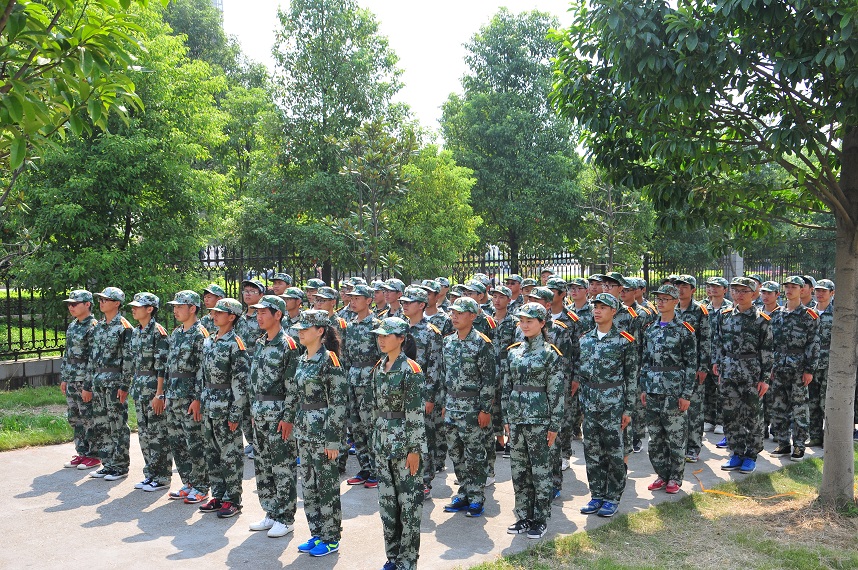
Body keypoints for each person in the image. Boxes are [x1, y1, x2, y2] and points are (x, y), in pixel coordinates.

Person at [502, 303, 564, 539]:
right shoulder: (514, 352)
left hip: (540, 420)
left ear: (542, 323)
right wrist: (506, 417)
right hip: (517, 419)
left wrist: (554, 425)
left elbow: (556, 392)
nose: (524, 325)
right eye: (522, 321)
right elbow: (507, 387)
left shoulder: (550, 354)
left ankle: (540, 519)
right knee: (519, 471)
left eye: (530, 321)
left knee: (540, 472)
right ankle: (523, 516)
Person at [369, 317, 427, 570]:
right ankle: (392, 556)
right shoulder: (379, 367)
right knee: (387, 505)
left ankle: (408, 560)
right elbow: (374, 407)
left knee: (409, 506)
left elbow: (415, 414)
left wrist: (415, 450)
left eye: (387, 335)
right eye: (379, 335)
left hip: (404, 446)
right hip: (383, 444)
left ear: (401, 338)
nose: (381, 340)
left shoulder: (411, 370)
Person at [573, 293, 638, 518]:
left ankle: (612, 497)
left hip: (613, 406)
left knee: (614, 454)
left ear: (613, 311)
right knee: (592, 453)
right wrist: (582, 404)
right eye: (596, 307)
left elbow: (631, 378)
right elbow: (581, 375)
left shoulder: (624, 341)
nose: (597, 311)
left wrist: (628, 409)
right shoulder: (585, 339)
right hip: (590, 406)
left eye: (603, 307)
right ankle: (597, 495)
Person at [293, 310, 348, 558]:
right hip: (305, 432)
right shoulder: (303, 358)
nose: (301, 332)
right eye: (300, 328)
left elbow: (338, 403)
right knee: (309, 485)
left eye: (306, 328)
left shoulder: (329, 361)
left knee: (326, 487)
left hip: (323, 433)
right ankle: (317, 533)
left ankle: (331, 537)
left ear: (320, 331)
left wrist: (333, 440)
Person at [246, 295, 302, 536]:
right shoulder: (261, 343)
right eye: (257, 313)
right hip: (260, 413)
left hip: (278, 415)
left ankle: (286, 518)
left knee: (282, 466)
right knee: (263, 465)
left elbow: (293, 387)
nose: (259, 317)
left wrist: (288, 418)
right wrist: (253, 410)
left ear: (277, 315)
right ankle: (271, 512)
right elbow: (254, 381)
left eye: (263, 313)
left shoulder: (288, 345)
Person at [441, 297, 496, 518]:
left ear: (473, 316)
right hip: (452, 407)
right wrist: (444, 403)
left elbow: (489, 380)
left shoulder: (482, 343)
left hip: (472, 408)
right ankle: (464, 492)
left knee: (475, 454)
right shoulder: (448, 342)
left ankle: (476, 497)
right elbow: (444, 375)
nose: (454, 317)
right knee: (456, 453)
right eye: (453, 313)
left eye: (460, 313)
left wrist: (485, 409)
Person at [712, 277, 773, 474]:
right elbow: (718, 342)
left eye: (744, 291)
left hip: (751, 373)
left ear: (753, 294)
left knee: (752, 416)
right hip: (729, 371)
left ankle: (751, 455)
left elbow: (767, 350)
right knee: (731, 415)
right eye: (735, 290)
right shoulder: (724, 316)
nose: (739, 294)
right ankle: (736, 452)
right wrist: (717, 364)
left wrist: (764, 378)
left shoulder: (761, 320)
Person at [640, 285, 696, 494]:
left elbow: (691, 364)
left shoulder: (684, 330)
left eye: (665, 299)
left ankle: (675, 477)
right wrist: (644, 387)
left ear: (675, 301)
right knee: (655, 437)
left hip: (674, 390)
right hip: (653, 389)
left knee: (675, 436)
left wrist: (686, 394)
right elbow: (645, 360)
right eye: (659, 299)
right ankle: (662, 474)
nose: (661, 302)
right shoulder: (651, 329)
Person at [198, 297, 250, 518]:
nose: (214, 315)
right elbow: (202, 375)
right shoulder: (209, 340)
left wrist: (236, 413)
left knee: (230, 455)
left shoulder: (235, 344)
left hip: (226, 405)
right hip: (209, 404)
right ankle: (218, 495)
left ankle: (233, 499)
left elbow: (241, 382)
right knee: (212, 453)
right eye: (213, 312)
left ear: (231, 317)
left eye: (219, 312)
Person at [165, 290, 210, 503]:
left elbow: (203, 369)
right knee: (177, 441)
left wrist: (198, 398)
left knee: (194, 442)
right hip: (174, 394)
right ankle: (188, 482)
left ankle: (201, 485)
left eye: (180, 306)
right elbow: (170, 366)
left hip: (190, 396)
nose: (175, 310)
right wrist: (166, 393)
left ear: (192, 308)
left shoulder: (200, 334)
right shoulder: (176, 333)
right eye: (174, 307)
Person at [768, 276, 820, 462]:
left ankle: (799, 445)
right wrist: (770, 366)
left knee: (799, 408)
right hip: (779, 366)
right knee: (778, 406)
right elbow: (770, 343)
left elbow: (813, 344)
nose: (789, 290)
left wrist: (809, 369)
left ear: (802, 290)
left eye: (793, 287)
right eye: (787, 287)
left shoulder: (809, 315)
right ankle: (783, 443)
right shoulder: (777, 314)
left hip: (798, 368)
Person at [399, 286, 444, 499]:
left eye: (410, 302)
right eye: (403, 302)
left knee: (424, 437)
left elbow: (435, 366)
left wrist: (429, 397)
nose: (405, 305)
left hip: (421, 392)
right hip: (400, 392)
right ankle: (406, 477)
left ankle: (425, 481)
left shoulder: (431, 333)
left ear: (421, 305)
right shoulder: (398, 328)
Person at [86, 287, 134, 481]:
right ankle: (108, 463)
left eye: (106, 300)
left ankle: (120, 466)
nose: (101, 302)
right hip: (99, 381)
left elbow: (128, 359)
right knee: (102, 423)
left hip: (115, 382)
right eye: (100, 299)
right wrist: (88, 383)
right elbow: (92, 357)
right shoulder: (98, 326)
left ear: (117, 303)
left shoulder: (124, 327)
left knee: (117, 424)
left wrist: (124, 385)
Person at [128, 292, 171, 492]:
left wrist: (159, 394)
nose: (133, 309)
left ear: (150, 309)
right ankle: (150, 474)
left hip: (154, 389)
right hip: (140, 389)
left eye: (138, 306)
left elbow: (162, 367)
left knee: (158, 434)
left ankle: (162, 477)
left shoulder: (158, 333)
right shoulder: (136, 332)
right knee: (144, 434)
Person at [342, 284, 383, 488]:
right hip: (353, 378)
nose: (353, 301)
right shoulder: (349, 326)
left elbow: (382, 357)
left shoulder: (377, 325)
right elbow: (345, 356)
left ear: (368, 300)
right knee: (356, 427)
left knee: (371, 427)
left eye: (357, 298)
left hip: (369, 381)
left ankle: (377, 470)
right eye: (351, 298)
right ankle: (365, 467)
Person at [60, 290, 100, 471]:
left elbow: (94, 359)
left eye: (75, 304)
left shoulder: (93, 327)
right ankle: (82, 452)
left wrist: (88, 385)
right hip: (72, 378)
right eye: (69, 304)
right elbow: (67, 353)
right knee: (75, 417)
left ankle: (94, 455)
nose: (71, 307)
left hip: (84, 379)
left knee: (88, 417)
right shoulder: (73, 325)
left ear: (87, 304)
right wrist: (64, 377)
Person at [673, 275, 710, 465]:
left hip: (693, 368)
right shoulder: (671, 309)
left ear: (693, 290)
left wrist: (703, 367)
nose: (680, 290)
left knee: (694, 409)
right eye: (678, 286)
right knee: (676, 409)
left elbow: (705, 340)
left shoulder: (700, 311)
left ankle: (694, 447)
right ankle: (678, 446)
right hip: (675, 368)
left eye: (685, 287)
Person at [702, 277, 732, 438]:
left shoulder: (729, 308)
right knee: (707, 388)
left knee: (722, 389)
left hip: (721, 354)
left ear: (725, 290)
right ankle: (709, 418)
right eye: (710, 286)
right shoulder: (703, 308)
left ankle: (721, 421)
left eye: (717, 286)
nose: (713, 289)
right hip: (705, 354)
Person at [808, 279, 834, 447]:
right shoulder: (809, 313)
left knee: (827, 402)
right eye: (818, 290)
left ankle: (829, 438)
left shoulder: (837, 314)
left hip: (830, 364)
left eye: (824, 291)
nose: (820, 293)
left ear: (832, 293)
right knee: (812, 402)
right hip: (812, 363)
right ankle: (815, 436)